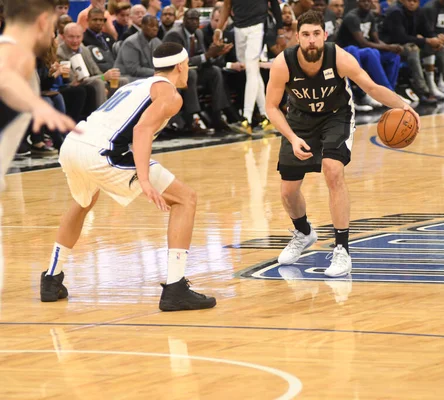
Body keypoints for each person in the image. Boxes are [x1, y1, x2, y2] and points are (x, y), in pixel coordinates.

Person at [40, 42, 217, 312]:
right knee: (185, 199)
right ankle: (176, 287)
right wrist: (144, 180)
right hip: (102, 152)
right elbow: (142, 131)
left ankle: (51, 278)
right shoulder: (171, 95)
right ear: (181, 66)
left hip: (74, 143)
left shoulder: (135, 85)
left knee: (83, 202)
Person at [265, 11, 420, 277]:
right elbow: (271, 107)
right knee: (288, 192)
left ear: (324, 36)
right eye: (305, 35)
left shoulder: (338, 57)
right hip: (299, 121)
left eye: (316, 34)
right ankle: (303, 233)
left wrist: (405, 106)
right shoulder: (283, 63)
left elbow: (371, 88)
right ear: (297, 38)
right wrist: (292, 137)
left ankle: (342, 250)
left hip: (336, 117)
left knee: (333, 171)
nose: (311, 40)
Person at [0, 0, 76, 190]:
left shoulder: (24, 57)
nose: (54, 34)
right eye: (53, 25)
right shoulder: (13, 55)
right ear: (43, 21)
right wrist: (38, 105)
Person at [214, 0, 283, 134]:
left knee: (251, 69)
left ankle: (246, 119)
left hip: (258, 26)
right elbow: (227, 5)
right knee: (252, 71)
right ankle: (267, 117)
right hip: (238, 27)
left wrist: (279, 31)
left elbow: (274, 4)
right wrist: (219, 28)